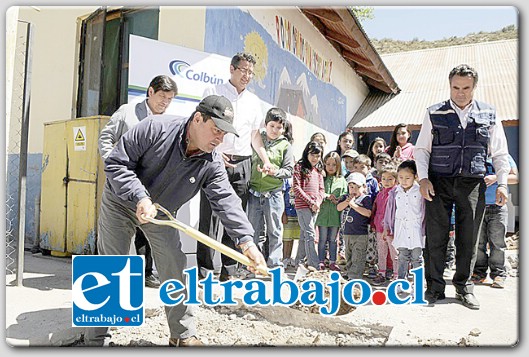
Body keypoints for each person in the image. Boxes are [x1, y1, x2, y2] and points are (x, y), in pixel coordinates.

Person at [84, 95, 267, 347]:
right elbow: (116, 163)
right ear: (198, 118)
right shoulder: (154, 128)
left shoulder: (211, 162)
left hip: (161, 215)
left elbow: (227, 202)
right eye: (216, 130)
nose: (219, 139)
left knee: (175, 266)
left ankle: (182, 335)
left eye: (224, 134)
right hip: (121, 202)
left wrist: (247, 242)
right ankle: (96, 340)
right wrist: (139, 197)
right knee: (111, 265)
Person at [415, 64, 510, 310]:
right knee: (436, 237)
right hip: (438, 182)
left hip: (472, 184)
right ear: (450, 85)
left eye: (466, 88)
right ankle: (434, 287)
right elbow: (422, 149)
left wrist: (502, 184)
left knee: (468, 239)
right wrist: (423, 178)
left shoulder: (489, 114)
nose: (460, 93)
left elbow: (500, 152)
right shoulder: (433, 112)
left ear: (474, 87)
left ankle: (464, 288)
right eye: (455, 87)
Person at [98, 74, 178, 288]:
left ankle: (147, 273)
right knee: (116, 241)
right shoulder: (127, 112)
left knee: (152, 232)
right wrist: (113, 165)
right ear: (150, 92)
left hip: (151, 188)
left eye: (170, 99)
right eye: (162, 96)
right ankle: (110, 292)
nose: (165, 102)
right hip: (123, 187)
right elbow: (105, 138)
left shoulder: (168, 122)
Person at [197, 52, 268, 281]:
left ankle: (229, 271)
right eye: (243, 70)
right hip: (215, 160)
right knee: (209, 218)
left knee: (237, 217)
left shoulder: (254, 101)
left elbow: (255, 135)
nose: (247, 75)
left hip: (243, 163)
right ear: (232, 69)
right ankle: (204, 271)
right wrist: (215, 151)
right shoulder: (213, 92)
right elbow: (201, 125)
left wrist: (265, 160)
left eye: (250, 72)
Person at [247, 108, 294, 269]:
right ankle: (255, 264)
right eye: (272, 126)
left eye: (279, 127)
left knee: (274, 231)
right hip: (254, 192)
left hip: (274, 194)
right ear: (266, 125)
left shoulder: (285, 145)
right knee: (253, 232)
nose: (275, 130)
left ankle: (274, 265)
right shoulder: (256, 137)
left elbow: (289, 170)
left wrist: (274, 171)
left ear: (284, 128)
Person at [472, 154, 518, 288]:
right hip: (477, 205)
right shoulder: (476, 153)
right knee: (478, 242)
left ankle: (498, 274)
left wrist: (496, 178)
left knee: (497, 242)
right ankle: (479, 272)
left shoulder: (503, 155)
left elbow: (516, 177)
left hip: (497, 206)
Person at [383, 161, 425, 291]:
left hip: (416, 228)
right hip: (401, 227)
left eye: (408, 178)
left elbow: (424, 210)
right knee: (402, 257)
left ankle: (418, 284)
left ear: (415, 177)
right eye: (401, 177)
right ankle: (401, 282)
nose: (404, 181)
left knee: (416, 258)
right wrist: (387, 227)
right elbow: (389, 210)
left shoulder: (420, 191)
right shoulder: (395, 192)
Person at [293, 141, 325, 270]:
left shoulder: (318, 171)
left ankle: (299, 261)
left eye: (318, 156)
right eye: (312, 155)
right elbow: (296, 188)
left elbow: (321, 190)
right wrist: (310, 202)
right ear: (307, 153)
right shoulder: (299, 167)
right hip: (303, 206)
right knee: (310, 234)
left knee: (305, 234)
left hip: (315, 207)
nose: (315, 158)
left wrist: (317, 202)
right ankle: (314, 264)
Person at [336, 172, 373, 280]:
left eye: (357, 187)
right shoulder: (346, 198)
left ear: (364, 187)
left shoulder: (365, 199)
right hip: (347, 233)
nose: (354, 190)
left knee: (358, 255)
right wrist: (347, 202)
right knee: (349, 255)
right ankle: (349, 271)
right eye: (351, 187)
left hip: (360, 234)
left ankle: (355, 275)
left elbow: (368, 213)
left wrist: (354, 205)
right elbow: (339, 208)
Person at [316, 151, 348, 271]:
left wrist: (339, 199)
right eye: (328, 164)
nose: (331, 167)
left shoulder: (341, 180)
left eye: (334, 165)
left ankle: (333, 261)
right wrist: (326, 196)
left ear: (338, 166)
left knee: (333, 240)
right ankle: (321, 260)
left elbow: (345, 194)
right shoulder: (321, 178)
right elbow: (317, 191)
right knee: (322, 239)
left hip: (335, 214)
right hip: (323, 214)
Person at [371, 164, 399, 285]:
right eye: (384, 178)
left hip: (391, 229)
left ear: (396, 180)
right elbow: (376, 210)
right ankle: (381, 273)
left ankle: (397, 275)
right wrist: (373, 223)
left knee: (395, 253)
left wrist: (390, 228)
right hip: (379, 228)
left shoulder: (396, 193)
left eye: (390, 179)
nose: (386, 182)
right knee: (381, 252)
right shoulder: (380, 194)